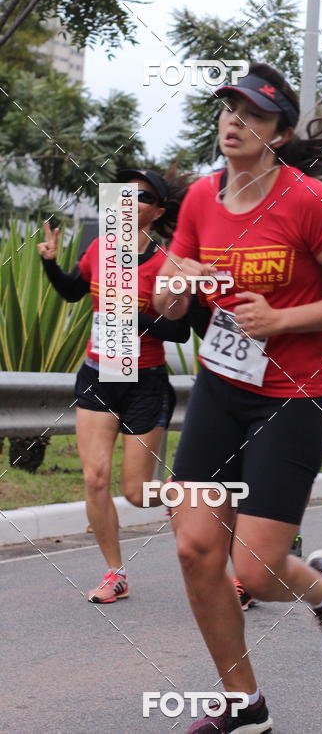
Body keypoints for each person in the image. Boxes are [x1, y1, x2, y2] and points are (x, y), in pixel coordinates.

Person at [153, 62, 322, 733]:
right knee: (196, 549)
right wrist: (178, 281)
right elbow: (169, 295)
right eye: (229, 109)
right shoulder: (199, 198)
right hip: (222, 388)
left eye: (253, 115)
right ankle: (243, 704)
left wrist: (282, 321)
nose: (235, 122)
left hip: (294, 393)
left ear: (278, 133)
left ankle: (321, 588)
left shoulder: (309, 201)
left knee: (255, 573)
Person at [38, 168, 190, 603]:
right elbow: (72, 291)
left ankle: (195, 495)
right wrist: (50, 263)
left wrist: (133, 317)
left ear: (157, 211)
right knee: (95, 478)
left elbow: (180, 332)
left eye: (140, 196)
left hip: (145, 381)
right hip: (99, 374)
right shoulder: (100, 248)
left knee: (138, 493)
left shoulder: (167, 262)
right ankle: (114, 573)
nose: (128, 201)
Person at [234, 324, 322, 613]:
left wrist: (304, 356)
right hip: (242, 388)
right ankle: (251, 566)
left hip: (303, 391)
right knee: (236, 477)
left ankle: (255, 569)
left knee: (276, 479)